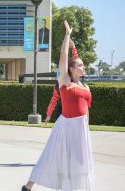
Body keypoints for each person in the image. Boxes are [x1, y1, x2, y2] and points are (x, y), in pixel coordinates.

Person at [22, 21, 94, 191]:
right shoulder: (65, 81)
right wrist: (67, 35)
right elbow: (64, 56)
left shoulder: (86, 87)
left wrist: (86, 128)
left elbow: (86, 111)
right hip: (67, 126)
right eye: (81, 65)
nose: (84, 67)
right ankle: (28, 186)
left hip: (81, 128)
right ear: (72, 69)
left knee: (80, 163)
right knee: (51, 157)